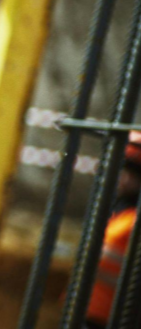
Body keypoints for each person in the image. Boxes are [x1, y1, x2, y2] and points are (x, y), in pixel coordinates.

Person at [84, 131, 141, 328]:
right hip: (88, 309)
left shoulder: (132, 219)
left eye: (132, 173)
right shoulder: (118, 211)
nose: (122, 178)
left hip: (114, 317)